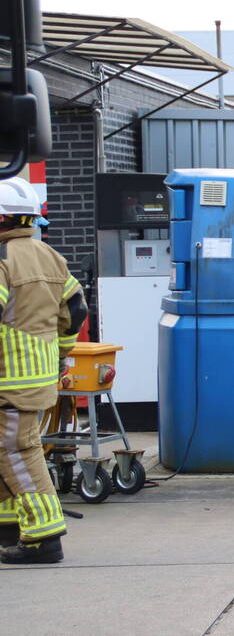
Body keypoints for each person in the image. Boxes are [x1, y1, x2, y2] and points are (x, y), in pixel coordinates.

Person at [0, 178, 86, 564]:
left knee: (17, 451)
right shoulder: (49, 255)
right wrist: (60, 357)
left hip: (7, 377)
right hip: (37, 375)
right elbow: (76, 311)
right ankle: (9, 522)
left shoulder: (3, 259)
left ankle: (43, 535)